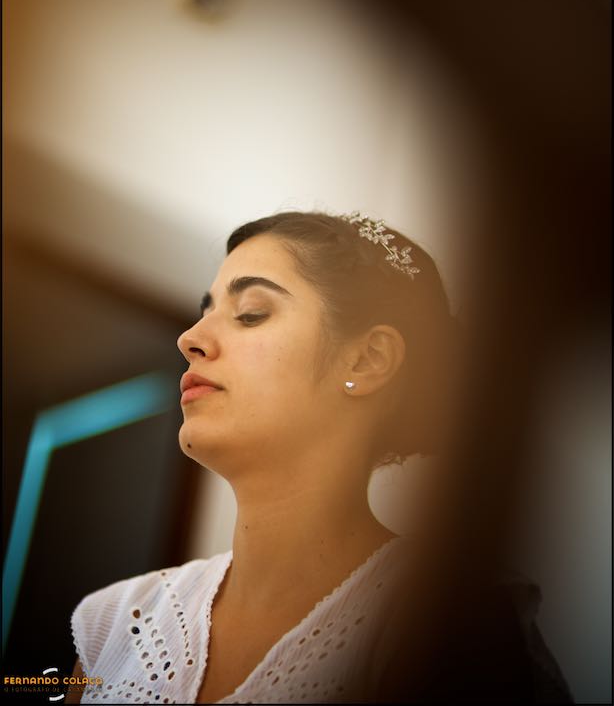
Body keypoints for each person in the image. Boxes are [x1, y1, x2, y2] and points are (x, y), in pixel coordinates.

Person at [67, 210, 571, 704]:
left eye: (251, 314)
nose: (190, 339)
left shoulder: (442, 621)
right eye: (205, 312)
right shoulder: (114, 623)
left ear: (366, 359)